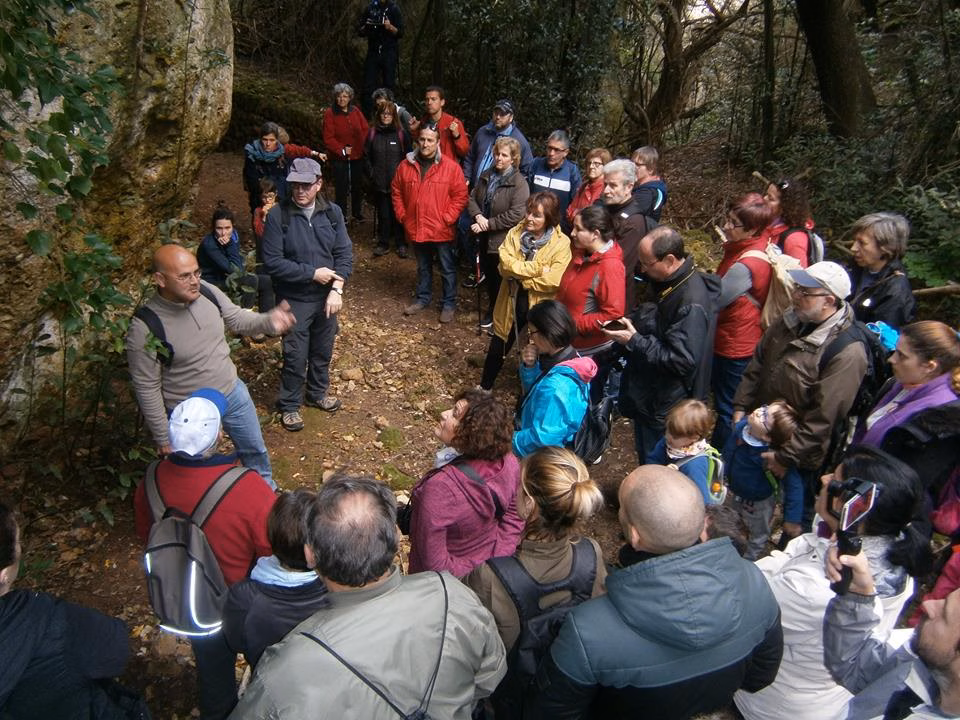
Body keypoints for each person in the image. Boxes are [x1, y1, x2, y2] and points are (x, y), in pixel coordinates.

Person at [229, 475, 508, 720]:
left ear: (310, 555)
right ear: (397, 539)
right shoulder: (453, 596)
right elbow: (490, 674)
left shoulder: (283, 672)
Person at [529, 464, 783, 719]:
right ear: (703, 521)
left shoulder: (587, 630)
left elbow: (553, 712)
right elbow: (759, 677)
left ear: (635, 536)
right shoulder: (755, 581)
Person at [735, 447, 934, 720]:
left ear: (853, 508)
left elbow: (743, 601)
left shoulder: (817, 589)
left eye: (835, 479)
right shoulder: (894, 554)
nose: (825, 478)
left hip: (774, 701)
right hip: (823, 695)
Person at [134, 389, 276, 720]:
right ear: (217, 436)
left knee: (214, 679)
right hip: (241, 603)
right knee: (269, 665)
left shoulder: (151, 479)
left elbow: (146, 534)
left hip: (187, 600)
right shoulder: (248, 486)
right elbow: (273, 549)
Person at [126, 244, 295, 488]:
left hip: (231, 391)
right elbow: (146, 386)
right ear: (159, 279)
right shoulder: (145, 327)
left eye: (197, 273)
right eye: (184, 276)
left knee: (255, 451)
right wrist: (163, 436)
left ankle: (265, 492)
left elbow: (235, 318)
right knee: (194, 478)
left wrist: (268, 321)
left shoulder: (207, 292)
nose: (194, 281)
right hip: (188, 413)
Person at [465, 446, 607, 718]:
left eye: (519, 486)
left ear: (529, 503)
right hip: (569, 693)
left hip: (509, 697)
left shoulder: (490, 576)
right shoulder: (592, 553)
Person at [733, 261, 869, 526]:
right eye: (797, 288)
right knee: (750, 496)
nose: (795, 295)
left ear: (829, 301)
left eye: (804, 293)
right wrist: (741, 405)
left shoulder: (847, 353)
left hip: (797, 455)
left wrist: (786, 457)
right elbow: (759, 363)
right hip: (762, 429)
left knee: (794, 510)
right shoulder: (791, 319)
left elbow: (823, 419)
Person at [0, 502, 141, 720]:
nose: (21, 548)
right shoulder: (41, 620)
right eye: (18, 542)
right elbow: (116, 649)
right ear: (4, 574)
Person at [605, 226, 720, 463]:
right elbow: (656, 321)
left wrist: (634, 341)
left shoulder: (690, 302)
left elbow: (681, 360)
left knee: (655, 460)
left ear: (669, 259)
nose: (642, 269)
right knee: (644, 452)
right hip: (648, 392)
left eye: (647, 263)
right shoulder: (666, 282)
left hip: (664, 402)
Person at [261, 157, 352, 432]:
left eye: (306, 185)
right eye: (295, 185)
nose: (300, 191)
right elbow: (273, 262)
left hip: (326, 298)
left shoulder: (332, 213)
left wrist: (337, 287)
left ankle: (316, 393)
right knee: (295, 354)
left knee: (322, 349)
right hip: (294, 299)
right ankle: (289, 404)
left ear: (319, 184)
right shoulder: (279, 215)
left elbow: (344, 254)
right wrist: (311, 273)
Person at [824, 551, 960, 719]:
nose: (928, 604)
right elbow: (856, 666)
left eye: (945, 615)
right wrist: (857, 596)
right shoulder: (924, 665)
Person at [407, 388, 525, 576]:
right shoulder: (508, 461)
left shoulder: (440, 489)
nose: (444, 414)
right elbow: (515, 515)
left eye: (455, 414)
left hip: (448, 582)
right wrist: (495, 561)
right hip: (490, 567)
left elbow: (434, 562)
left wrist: (470, 575)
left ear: (471, 433)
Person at [222, 488, 330, 670]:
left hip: (269, 683)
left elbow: (234, 641)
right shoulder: (339, 587)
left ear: (271, 535)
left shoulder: (243, 599)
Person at [478, 191, 569, 390]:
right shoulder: (515, 233)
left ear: (549, 218)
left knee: (537, 349)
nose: (529, 218)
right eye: (528, 212)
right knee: (500, 342)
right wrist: (537, 269)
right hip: (510, 299)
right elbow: (504, 265)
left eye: (536, 215)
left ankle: (531, 393)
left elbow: (554, 279)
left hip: (539, 305)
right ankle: (485, 387)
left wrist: (522, 279)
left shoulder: (561, 243)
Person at [711, 192, 775, 449]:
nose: (726, 226)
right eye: (728, 219)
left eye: (733, 223)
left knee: (728, 406)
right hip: (737, 336)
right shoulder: (752, 247)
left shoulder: (747, 264)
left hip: (735, 343)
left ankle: (722, 457)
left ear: (752, 229)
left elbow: (718, 298)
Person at [392, 123, 469, 323]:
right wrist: (403, 216)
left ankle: (448, 303)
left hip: (441, 228)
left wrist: (448, 218)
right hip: (416, 225)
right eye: (422, 139)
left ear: (437, 142)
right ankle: (422, 298)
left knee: (447, 267)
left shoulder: (450, 167)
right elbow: (397, 191)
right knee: (423, 266)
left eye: (430, 140)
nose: (425, 144)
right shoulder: (405, 165)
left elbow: (460, 196)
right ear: (417, 141)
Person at [554, 205, 626, 402]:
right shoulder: (582, 255)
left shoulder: (610, 267)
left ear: (595, 234)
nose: (572, 233)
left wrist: (572, 325)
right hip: (568, 340)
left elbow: (613, 315)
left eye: (578, 229)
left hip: (590, 353)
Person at [854, 320, 960, 448]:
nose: (891, 359)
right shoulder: (904, 383)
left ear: (929, 366)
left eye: (901, 355)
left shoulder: (935, 415)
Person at [513, 300, 597, 458]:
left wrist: (509, 441)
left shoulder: (557, 385)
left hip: (541, 457)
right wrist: (530, 367)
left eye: (532, 333)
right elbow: (537, 392)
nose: (531, 339)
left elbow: (543, 438)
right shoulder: (571, 360)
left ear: (548, 332)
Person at [723, 401, 804, 560]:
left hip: (758, 502)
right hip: (735, 489)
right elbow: (729, 450)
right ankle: (728, 549)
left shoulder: (772, 456)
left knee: (756, 532)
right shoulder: (743, 428)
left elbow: (795, 486)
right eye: (765, 408)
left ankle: (747, 561)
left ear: (767, 436)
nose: (759, 411)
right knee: (731, 521)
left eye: (765, 417)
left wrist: (792, 519)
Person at [468, 136, 531, 330]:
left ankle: (501, 317)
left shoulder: (519, 184)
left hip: (503, 240)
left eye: (504, 155)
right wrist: (478, 216)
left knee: (501, 280)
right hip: (483, 235)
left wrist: (488, 224)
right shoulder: (487, 174)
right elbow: (472, 198)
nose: (499, 158)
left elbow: (516, 214)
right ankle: (492, 311)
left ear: (513, 158)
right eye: (497, 153)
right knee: (488, 276)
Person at [600, 158, 657, 312]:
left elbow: (620, 267)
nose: (606, 190)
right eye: (605, 184)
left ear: (629, 187)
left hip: (613, 300)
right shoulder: (609, 208)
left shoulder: (634, 222)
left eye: (613, 185)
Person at [646, 399, 723, 506]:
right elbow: (652, 460)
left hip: (681, 505)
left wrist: (673, 477)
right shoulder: (668, 443)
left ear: (694, 438)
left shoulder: (694, 466)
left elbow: (702, 501)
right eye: (668, 431)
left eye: (675, 436)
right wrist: (661, 472)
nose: (668, 437)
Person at [848, 212, 916, 329]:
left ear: (886, 247)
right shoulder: (855, 268)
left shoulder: (895, 293)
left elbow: (879, 341)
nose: (853, 248)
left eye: (862, 243)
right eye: (854, 241)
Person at [242, 121, 325, 214]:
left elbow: (298, 150)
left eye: (272, 140)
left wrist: (315, 153)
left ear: (277, 140)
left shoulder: (282, 151)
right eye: (265, 140)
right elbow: (252, 181)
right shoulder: (252, 154)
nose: (268, 144)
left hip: (281, 195)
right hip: (261, 196)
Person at [364, 99, 411, 257]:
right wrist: (372, 174)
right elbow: (366, 156)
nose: (386, 116)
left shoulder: (401, 133)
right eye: (383, 113)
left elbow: (408, 157)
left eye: (389, 114)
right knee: (384, 214)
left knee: (398, 214)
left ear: (394, 116)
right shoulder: (372, 133)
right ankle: (383, 243)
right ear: (379, 115)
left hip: (398, 184)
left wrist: (404, 177)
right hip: (379, 182)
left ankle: (401, 244)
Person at [322, 83, 369, 223]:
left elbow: (365, 128)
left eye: (345, 96)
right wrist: (341, 150)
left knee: (357, 185)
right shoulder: (330, 113)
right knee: (342, 186)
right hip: (340, 157)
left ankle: (356, 212)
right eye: (339, 96)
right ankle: (341, 213)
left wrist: (365, 145)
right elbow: (328, 138)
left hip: (357, 154)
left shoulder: (355, 111)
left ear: (350, 98)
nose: (342, 99)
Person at [197, 205, 259, 309]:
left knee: (266, 281)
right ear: (213, 228)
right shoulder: (209, 244)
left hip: (225, 276)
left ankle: (268, 319)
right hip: (211, 281)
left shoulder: (233, 236)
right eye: (219, 228)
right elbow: (235, 271)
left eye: (227, 228)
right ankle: (244, 320)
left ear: (233, 226)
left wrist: (231, 246)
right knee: (251, 280)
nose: (223, 233)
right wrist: (230, 245)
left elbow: (237, 260)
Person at [463, 99, 534, 187]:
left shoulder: (519, 141)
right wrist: (467, 176)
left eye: (502, 114)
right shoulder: (482, 132)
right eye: (496, 113)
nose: (498, 117)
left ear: (511, 117)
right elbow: (470, 156)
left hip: (499, 195)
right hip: (474, 188)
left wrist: (509, 189)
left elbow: (527, 170)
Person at [527, 130, 581, 227]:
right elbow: (527, 193)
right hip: (533, 224)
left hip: (559, 228)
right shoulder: (536, 164)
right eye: (549, 148)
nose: (551, 153)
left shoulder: (572, 172)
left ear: (566, 152)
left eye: (556, 150)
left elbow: (576, 203)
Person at [357, 0, 402, 115]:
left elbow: (401, 32)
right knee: (368, 84)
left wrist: (390, 27)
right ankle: (367, 116)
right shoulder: (370, 8)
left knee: (389, 84)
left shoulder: (394, 9)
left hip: (389, 52)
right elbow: (360, 31)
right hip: (373, 51)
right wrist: (367, 27)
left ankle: (388, 115)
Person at [409, 85, 470, 164]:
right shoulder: (422, 123)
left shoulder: (453, 122)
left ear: (442, 102)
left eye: (433, 99)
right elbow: (419, 148)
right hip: (427, 168)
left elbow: (464, 152)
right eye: (427, 99)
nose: (429, 102)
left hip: (447, 170)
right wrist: (414, 131)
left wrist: (457, 136)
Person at [764, 177, 815, 267]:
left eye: (770, 198)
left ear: (785, 205)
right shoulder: (766, 223)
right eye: (766, 194)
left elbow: (798, 278)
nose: (764, 199)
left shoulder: (794, 240)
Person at [565, 147, 611, 227]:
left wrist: (577, 214)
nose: (591, 166)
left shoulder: (607, 189)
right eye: (589, 163)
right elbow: (569, 211)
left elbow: (595, 219)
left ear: (606, 166)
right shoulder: (584, 185)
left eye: (597, 164)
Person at [630, 145, 668, 222]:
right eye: (632, 163)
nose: (633, 168)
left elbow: (630, 216)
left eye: (637, 165)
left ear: (650, 169)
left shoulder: (647, 193)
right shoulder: (644, 187)